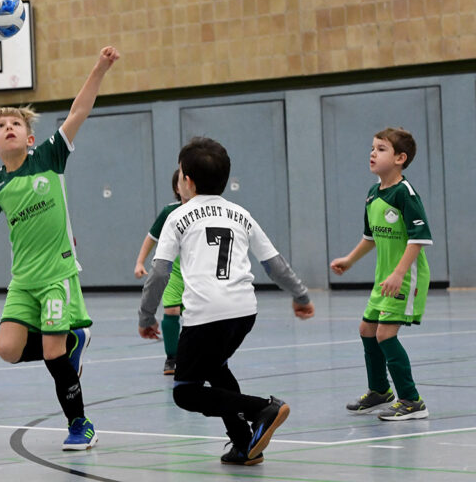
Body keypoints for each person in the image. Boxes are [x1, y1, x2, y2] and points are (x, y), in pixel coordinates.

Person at [0, 46, 120, 450]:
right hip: (24, 281)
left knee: (53, 353)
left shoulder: (49, 157)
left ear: (29, 136)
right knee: (8, 349)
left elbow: (78, 112)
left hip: (57, 274)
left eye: (15, 122)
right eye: (0, 125)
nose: (8, 128)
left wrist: (99, 68)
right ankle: (73, 342)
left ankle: (80, 425)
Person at [138, 137, 315, 466]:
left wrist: (146, 315)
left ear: (186, 181)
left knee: (186, 391)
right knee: (216, 369)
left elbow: (160, 273)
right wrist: (301, 295)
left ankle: (263, 408)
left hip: (206, 313)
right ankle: (245, 444)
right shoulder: (241, 214)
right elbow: (275, 264)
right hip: (244, 311)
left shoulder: (178, 216)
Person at [330, 127, 431, 421]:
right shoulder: (373, 193)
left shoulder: (405, 194)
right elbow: (370, 236)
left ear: (401, 158)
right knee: (367, 330)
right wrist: (350, 260)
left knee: (386, 334)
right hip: (383, 278)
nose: (373, 153)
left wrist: (399, 273)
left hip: (405, 277)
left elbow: (419, 239)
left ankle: (412, 401)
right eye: (372, 148)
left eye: (381, 149)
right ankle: (379, 391)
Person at [134, 169, 185, 375]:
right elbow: (151, 238)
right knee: (171, 310)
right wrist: (140, 262)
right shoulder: (169, 212)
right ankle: (172, 357)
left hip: (198, 271)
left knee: (198, 314)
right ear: (177, 188)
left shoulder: (205, 210)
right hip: (174, 269)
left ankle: (201, 355)